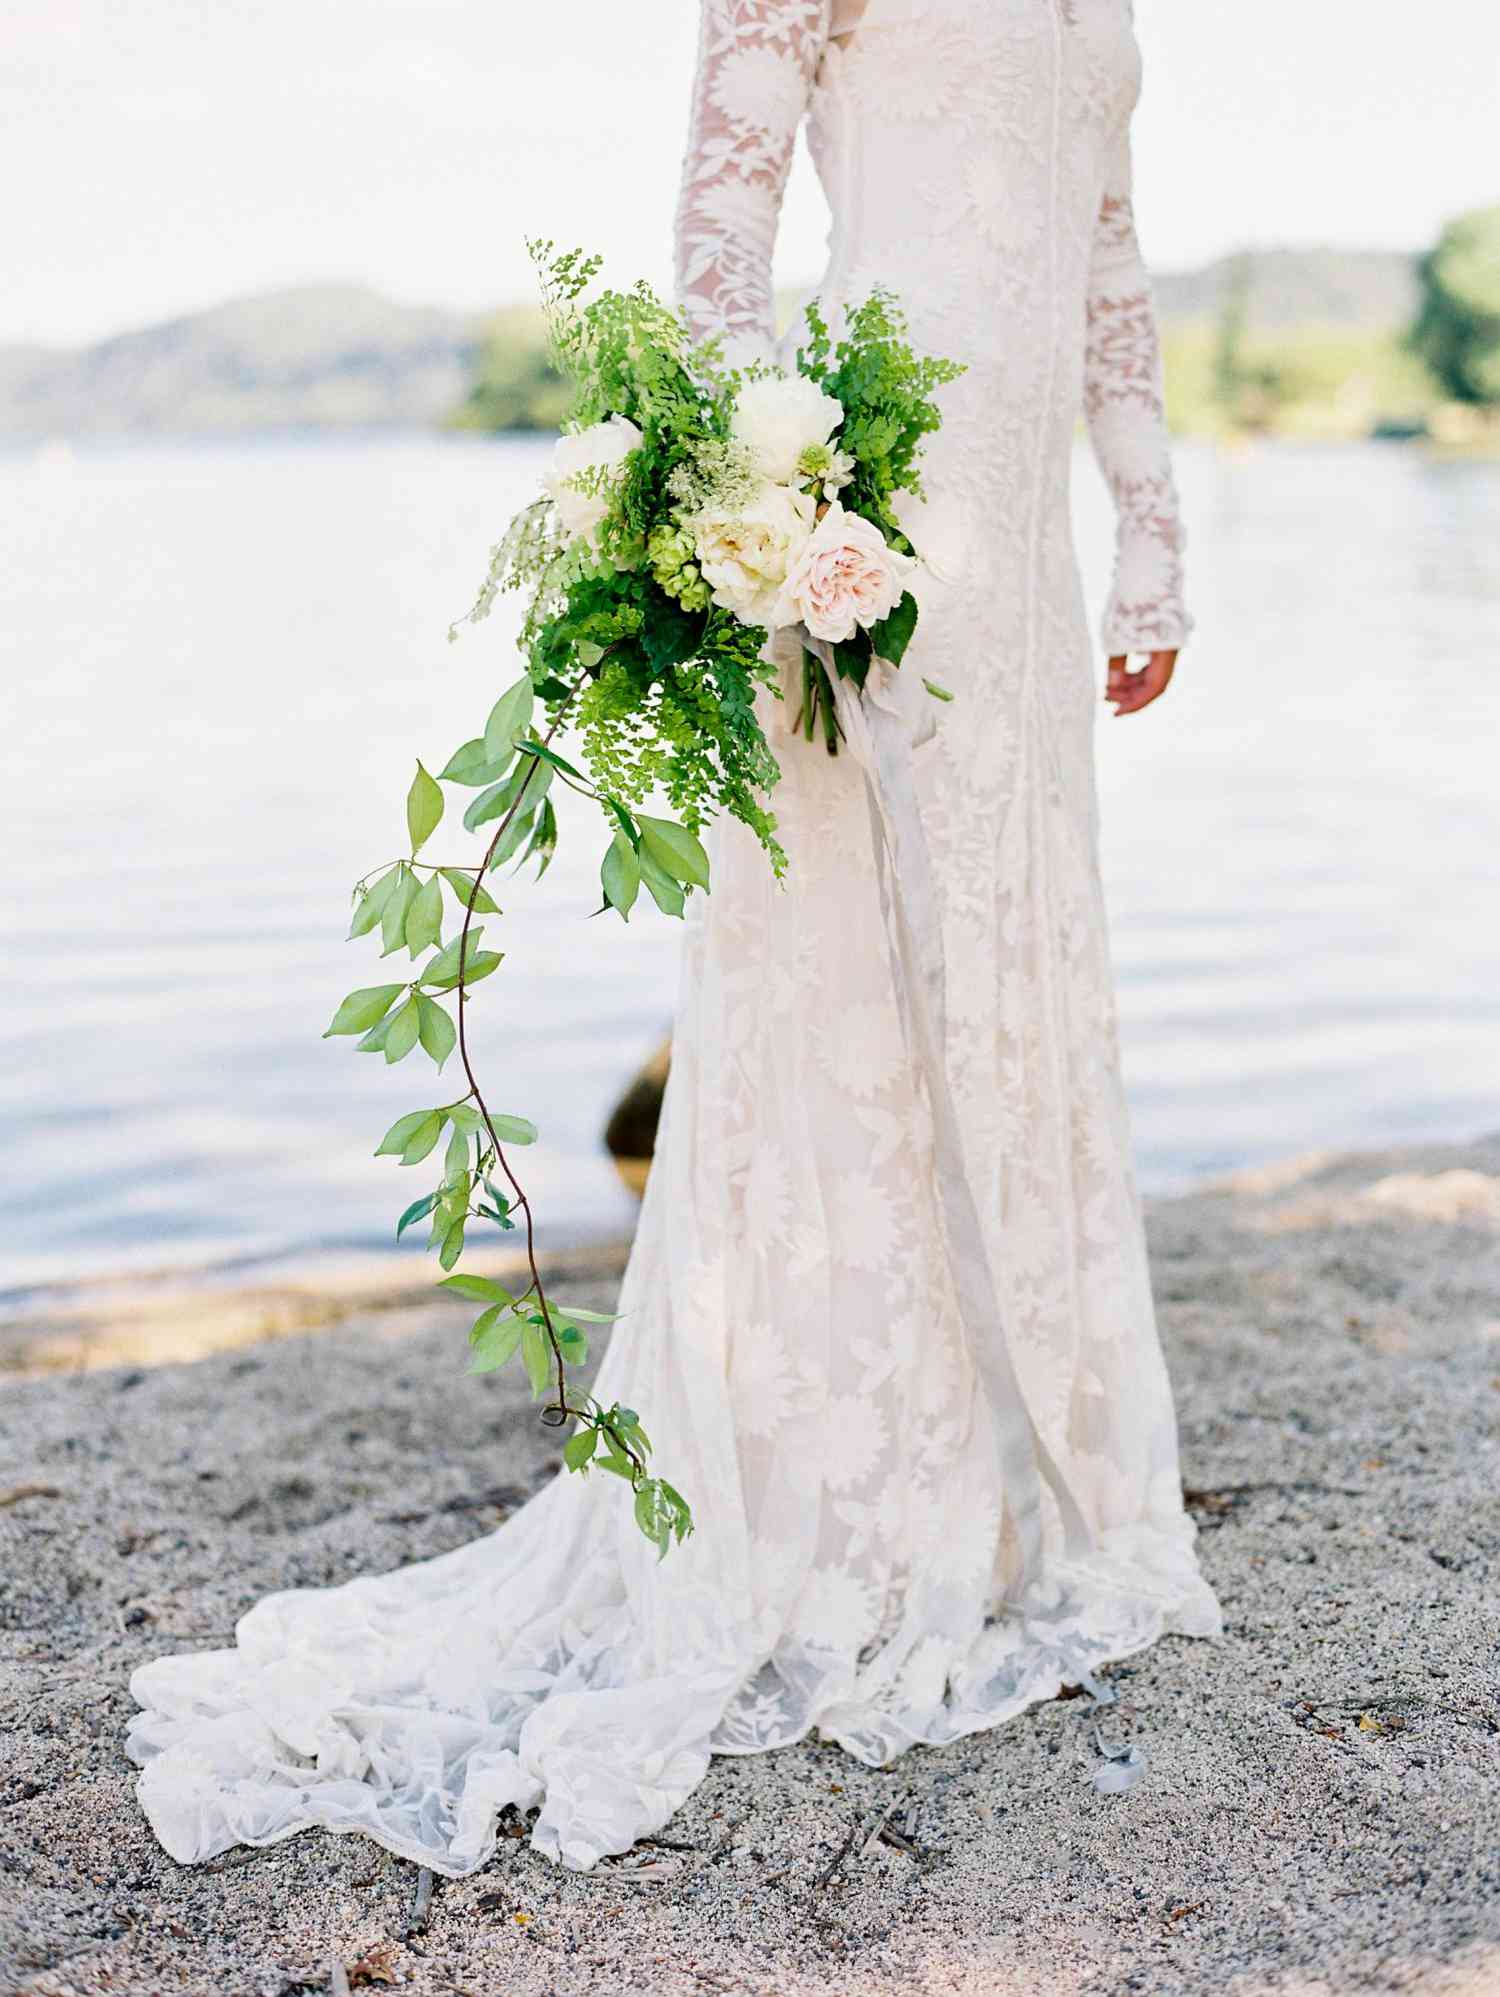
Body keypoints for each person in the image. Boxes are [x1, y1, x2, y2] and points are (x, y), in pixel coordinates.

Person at [127, 0, 1221, 1877]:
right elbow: (721, 229)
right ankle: (848, 1504)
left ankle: (1024, 1475)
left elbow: (1108, 262)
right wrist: (766, 502)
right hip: (864, 532)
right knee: (847, 1000)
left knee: (1013, 979)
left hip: (1019, 560)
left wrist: (1153, 529)